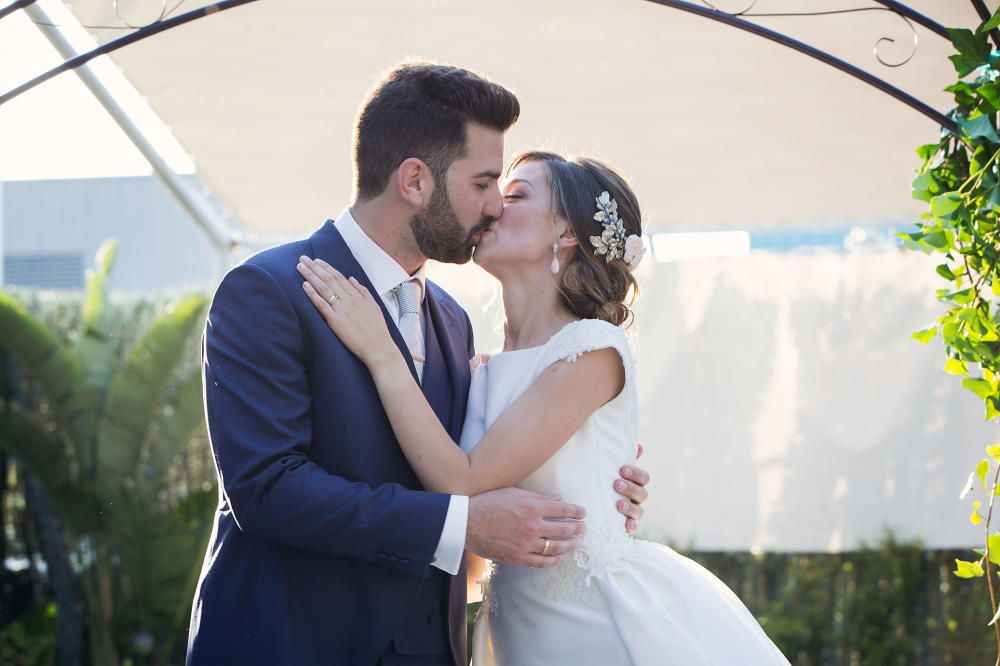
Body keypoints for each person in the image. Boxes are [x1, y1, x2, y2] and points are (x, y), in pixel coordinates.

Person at [186, 63, 650, 666]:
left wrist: (598, 486)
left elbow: (479, 473)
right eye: (485, 185)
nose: (493, 209)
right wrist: (459, 525)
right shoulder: (269, 290)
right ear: (414, 182)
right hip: (292, 645)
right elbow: (268, 489)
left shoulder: (455, 324)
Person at [298, 150, 791, 665]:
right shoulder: (476, 367)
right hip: (516, 634)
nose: (490, 208)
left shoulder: (593, 350)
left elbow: (461, 480)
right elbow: (466, 551)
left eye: (513, 196)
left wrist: (382, 353)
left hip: (595, 627)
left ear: (568, 233)